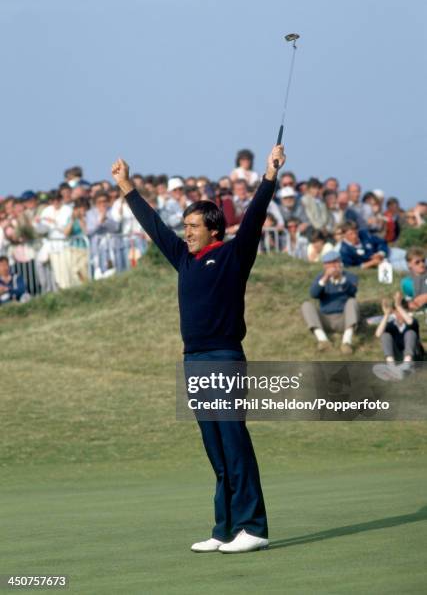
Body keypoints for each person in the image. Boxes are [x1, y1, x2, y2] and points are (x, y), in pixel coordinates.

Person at [111, 144, 286, 554]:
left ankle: (253, 527)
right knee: (215, 446)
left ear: (213, 229)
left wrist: (269, 175)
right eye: (185, 225)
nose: (185, 231)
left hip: (224, 358)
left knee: (233, 440)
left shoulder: (232, 254)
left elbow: (256, 218)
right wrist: (126, 187)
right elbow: (154, 226)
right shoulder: (183, 259)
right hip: (194, 361)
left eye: (193, 226)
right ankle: (225, 529)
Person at [301, 251, 359, 353]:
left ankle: (346, 342)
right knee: (306, 305)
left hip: (343, 318)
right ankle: (323, 340)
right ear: (325, 266)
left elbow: (353, 291)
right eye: (330, 264)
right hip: (325, 318)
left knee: (352, 302)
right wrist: (325, 278)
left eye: (336, 262)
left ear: (340, 263)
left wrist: (341, 280)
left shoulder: (350, 276)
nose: (334, 266)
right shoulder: (320, 277)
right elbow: (313, 294)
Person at [374, 293, 424, 380]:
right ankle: (392, 367)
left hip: (413, 357)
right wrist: (386, 314)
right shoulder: (391, 325)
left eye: (401, 310)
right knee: (385, 335)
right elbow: (378, 334)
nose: (399, 314)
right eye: (396, 311)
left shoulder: (412, 322)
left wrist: (398, 305)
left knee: (410, 333)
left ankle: (406, 365)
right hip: (398, 356)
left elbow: (410, 322)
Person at [400, 247, 427, 312]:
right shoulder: (406, 282)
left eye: (423, 261)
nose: (422, 264)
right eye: (417, 262)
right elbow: (412, 302)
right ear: (409, 265)